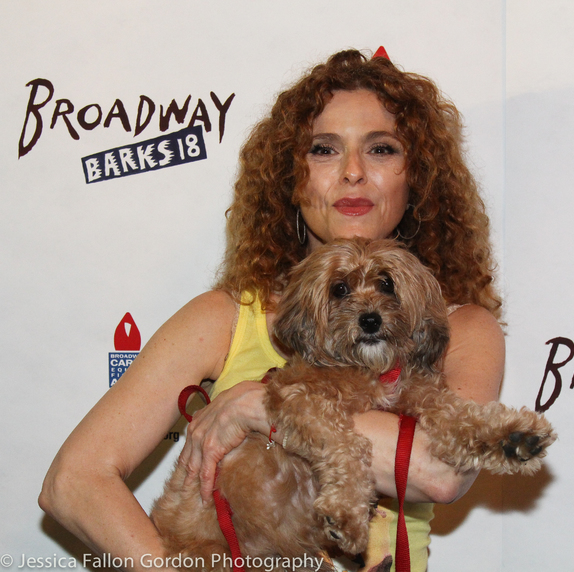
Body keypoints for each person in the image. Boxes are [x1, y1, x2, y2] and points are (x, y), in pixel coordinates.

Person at [39, 49, 505, 572]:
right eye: (324, 150)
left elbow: (437, 471)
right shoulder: (225, 318)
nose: (353, 173)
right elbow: (72, 481)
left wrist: (260, 407)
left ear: (415, 176)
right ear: (291, 176)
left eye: (381, 149)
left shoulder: (460, 327)